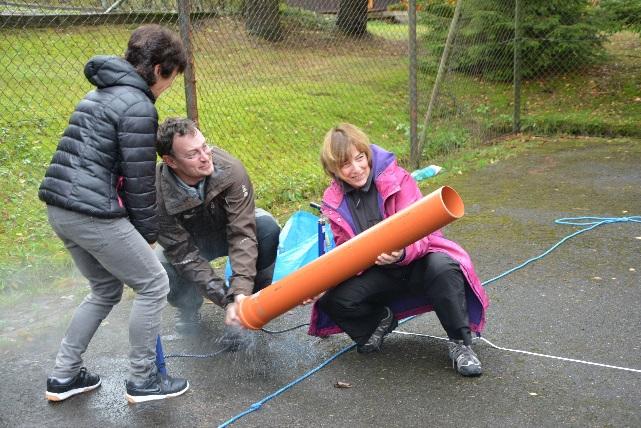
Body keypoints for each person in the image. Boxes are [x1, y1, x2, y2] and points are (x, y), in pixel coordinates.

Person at [39, 24, 189, 403]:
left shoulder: (100, 93)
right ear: (159, 69)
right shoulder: (139, 106)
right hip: (93, 213)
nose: (168, 85)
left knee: (105, 289)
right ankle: (143, 380)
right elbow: (139, 182)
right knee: (154, 284)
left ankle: (64, 375)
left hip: (60, 208)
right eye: (171, 77)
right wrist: (147, 233)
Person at [308, 123, 489, 377]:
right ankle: (378, 321)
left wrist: (403, 252)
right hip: (378, 271)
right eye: (346, 164)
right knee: (334, 300)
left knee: (444, 267)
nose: (357, 168)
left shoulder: (398, 180)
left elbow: (424, 233)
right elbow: (344, 251)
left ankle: (461, 344)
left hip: (418, 260)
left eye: (360, 158)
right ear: (334, 170)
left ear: (367, 155)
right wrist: (322, 283)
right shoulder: (335, 201)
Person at [154, 117, 280, 334]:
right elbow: (184, 255)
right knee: (161, 263)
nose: (205, 158)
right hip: (190, 241)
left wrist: (239, 294)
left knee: (267, 228)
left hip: (227, 230)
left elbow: (242, 232)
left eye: (204, 146)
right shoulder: (156, 195)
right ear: (171, 161)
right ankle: (188, 309)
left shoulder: (231, 170)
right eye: (193, 154)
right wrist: (225, 300)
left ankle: (250, 302)